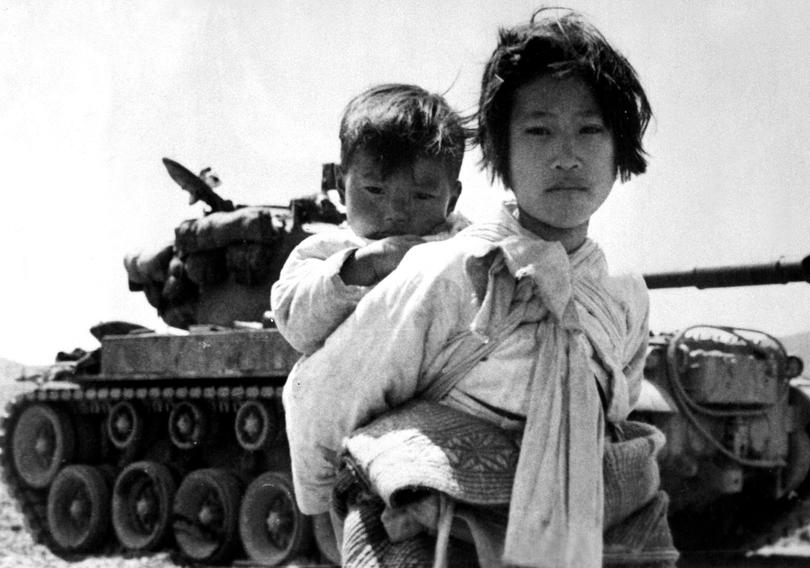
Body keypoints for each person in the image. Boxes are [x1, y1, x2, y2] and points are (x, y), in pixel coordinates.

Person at [283, 10, 677, 568]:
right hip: (439, 538)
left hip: (577, 526)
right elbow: (323, 393)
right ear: (501, 153)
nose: (566, 155)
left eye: (590, 130)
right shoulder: (444, 272)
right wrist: (322, 505)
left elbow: (616, 404)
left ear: (620, 152)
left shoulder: (624, 295)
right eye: (538, 130)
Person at [271, 83, 468, 356]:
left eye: (422, 196)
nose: (396, 213)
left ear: (452, 200)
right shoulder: (324, 253)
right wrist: (361, 267)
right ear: (341, 186)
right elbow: (295, 324)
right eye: (375, 190)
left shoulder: (466, 249)